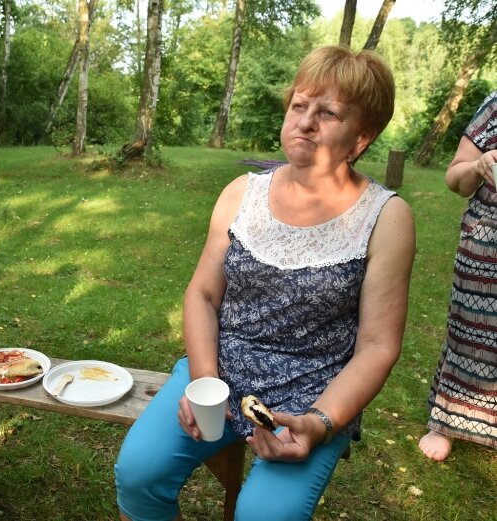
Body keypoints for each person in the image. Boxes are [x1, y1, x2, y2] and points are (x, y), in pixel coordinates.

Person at [114, 46, 416, 521]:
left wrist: (320, 422)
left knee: (264, 515)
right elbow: (203, 294)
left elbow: (378, 344)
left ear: (362, 136)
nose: (305, 122)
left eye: (328, 112)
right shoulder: (241, 193)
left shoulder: (386, 217)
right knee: (138, 475)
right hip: (219, 367)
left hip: (315, 390)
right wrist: (203, 381)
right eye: (299, 106)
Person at [418, 90, 497, 462]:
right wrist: (479, 165)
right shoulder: (496, 105)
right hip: (487, 244)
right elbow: (455, 178)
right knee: (471, 330)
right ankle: (447, 420)